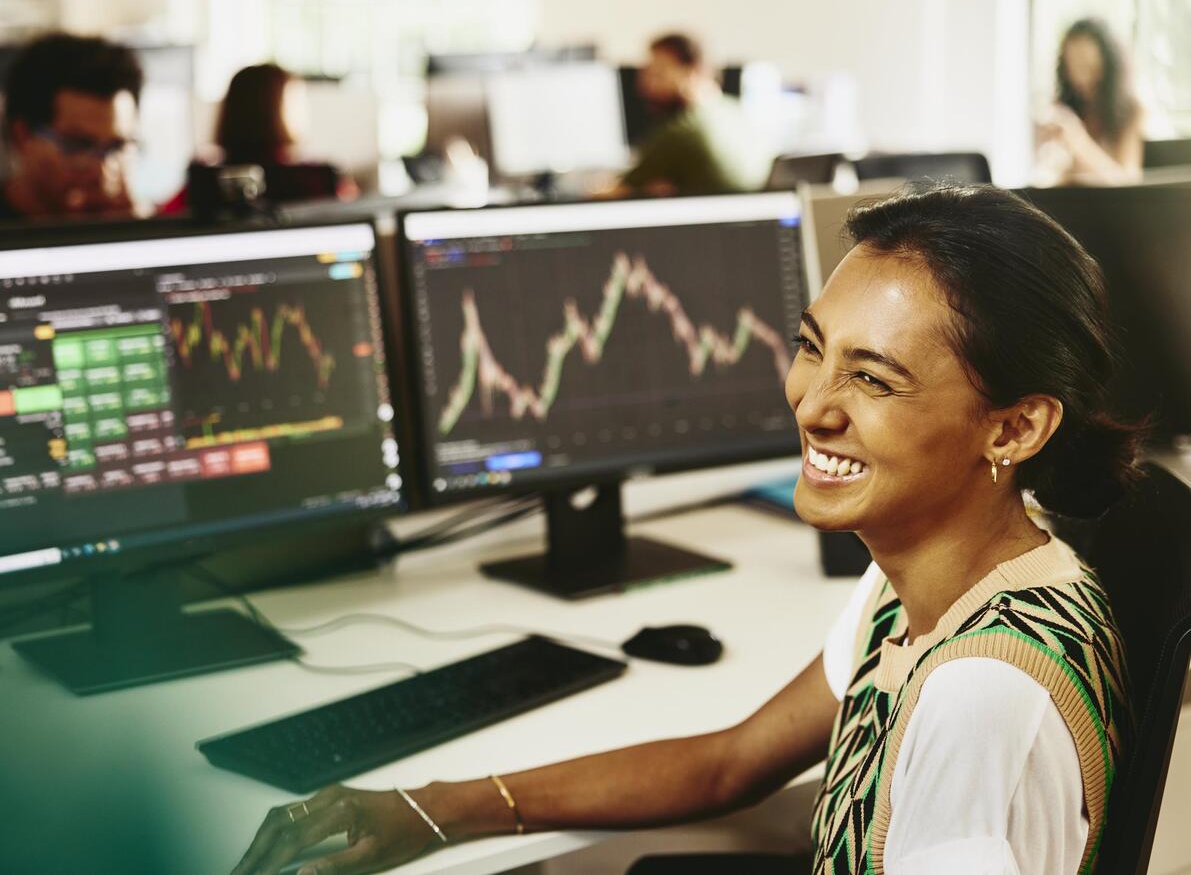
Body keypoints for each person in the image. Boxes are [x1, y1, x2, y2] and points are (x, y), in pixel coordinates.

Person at [231, 184, 1138, 875]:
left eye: (872, 380)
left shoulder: (975, 695)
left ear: (1013, 428)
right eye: (812, 346)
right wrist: (434, 809)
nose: (811, 405)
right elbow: (730, 762)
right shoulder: (932, 590)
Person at [160, 63, 353, 213]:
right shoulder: (321, 179)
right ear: (279, 112)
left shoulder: (204, 181)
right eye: (298, 102)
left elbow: (163, 218)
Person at [0, 32, 143, 220]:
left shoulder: (137, 216)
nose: (101, 169)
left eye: (117, 146)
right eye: (79, 145)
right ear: (23, 136)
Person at [615, 33, 773, 196]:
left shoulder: (682, 129)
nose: (645, 85)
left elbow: (618, 192)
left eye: (658, 73)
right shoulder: (736, 111)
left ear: (693, 71)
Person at [1035, 17, 1143, 186]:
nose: (1080, 76)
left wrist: (1077, 140)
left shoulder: (1131, 111)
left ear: (1106, 64)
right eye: (1073, 65)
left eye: (1087, 65)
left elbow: (1126, 182)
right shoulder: (1063, 108)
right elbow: (1053, 177)